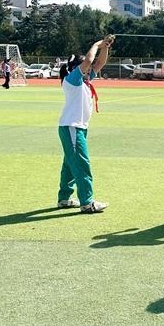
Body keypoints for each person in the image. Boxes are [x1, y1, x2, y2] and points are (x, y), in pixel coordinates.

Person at [57, 35, 114, 213]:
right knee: (81, 164)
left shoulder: (85, 81)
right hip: (72, 127)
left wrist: (105, 46)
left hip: (76, 127)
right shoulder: (72, 80)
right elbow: (89, 60)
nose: (89, 69)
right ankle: (87, 202)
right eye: (86, 68)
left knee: (69, 165)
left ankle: (64, 198)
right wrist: (96, 44)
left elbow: (99, 63)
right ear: (77, 68)